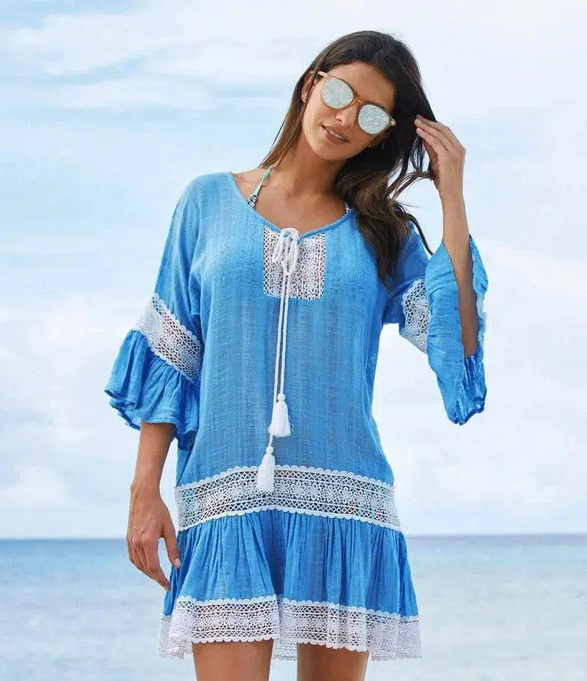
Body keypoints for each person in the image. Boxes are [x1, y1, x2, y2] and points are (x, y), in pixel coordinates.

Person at [104, 29, 488, 681]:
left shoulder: (383, 231)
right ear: (312, 84)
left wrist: (452, 194)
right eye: (340, 93)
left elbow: (459, 342)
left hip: (343, 506)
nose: (346, 118)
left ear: (382, 136)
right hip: (226, 501)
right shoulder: (206, 202)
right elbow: (174, 355)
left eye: (372, 115)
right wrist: (145, 490)